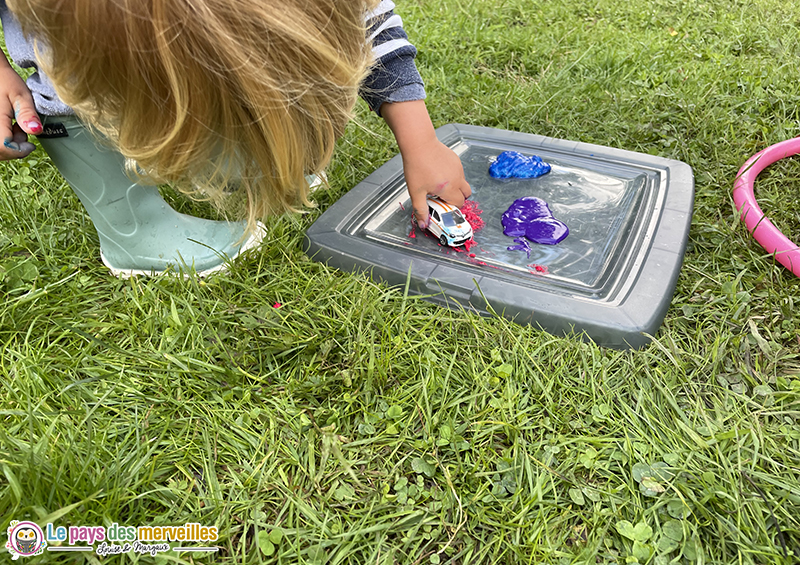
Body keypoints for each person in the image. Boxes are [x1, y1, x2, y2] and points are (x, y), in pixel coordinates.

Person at [0, 0, 471, 276]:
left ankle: (233, 149)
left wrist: (421, 141)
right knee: (68, 97)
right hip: (64, 69)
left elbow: (371, 19)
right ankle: (130, 228)